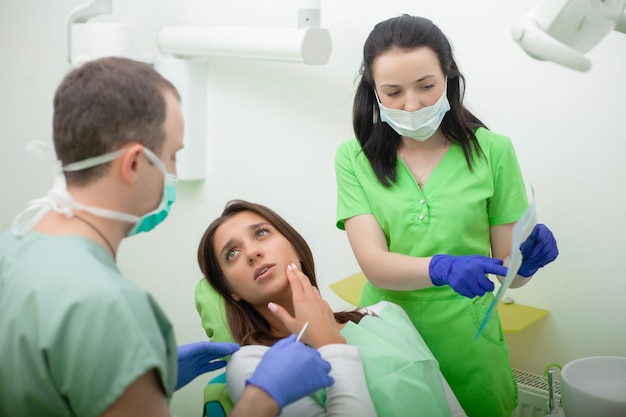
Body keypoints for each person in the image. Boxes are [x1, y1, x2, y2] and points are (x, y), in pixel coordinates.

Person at [0, 57, 333, 417]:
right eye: (172, 157)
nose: (173, 172)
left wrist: (138, 378)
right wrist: (262, 399)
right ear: (133, 165)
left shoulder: (10, 251)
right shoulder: (112, 309)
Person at [334, 14, 559, 417]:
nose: (412, 104)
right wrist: (442, 267)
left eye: (425, 86)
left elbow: (510, 272)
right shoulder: (354, 158)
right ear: (373, 92)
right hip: (387, 338)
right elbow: (375, 265)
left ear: (448, 75)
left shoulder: (493, 151)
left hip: (468, 341)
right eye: (393, 92)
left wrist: (528, 263)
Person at [196, 199, 468, 417]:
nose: (252, 252)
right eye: (232, 254)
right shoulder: (253, 364)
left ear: (296, 247)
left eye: (261, 233)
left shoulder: (387, 315)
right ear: (231, 291)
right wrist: (330, 345)